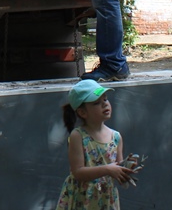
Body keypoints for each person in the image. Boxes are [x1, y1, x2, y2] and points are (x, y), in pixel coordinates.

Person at [55, 79, 139, 210]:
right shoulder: (78, 136)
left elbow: (118, 169)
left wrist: (127, 167)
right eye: (97, 103)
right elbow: (78, 172)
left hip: (106, 198)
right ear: (82, 112)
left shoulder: (116, 137)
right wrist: (107, 169)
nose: (105, 105)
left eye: (105, 100)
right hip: (83, 199)